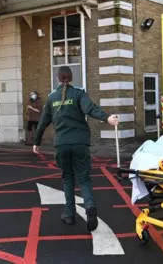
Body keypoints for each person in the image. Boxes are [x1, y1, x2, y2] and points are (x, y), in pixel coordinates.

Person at [33, 66, 119, 232]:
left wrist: (36, 142)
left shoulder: (52, 98)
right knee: (84, 179)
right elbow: (90, 109)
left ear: (58, 79)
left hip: (61, 144)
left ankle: (69, 214)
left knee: (67, 178)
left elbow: (42, 123)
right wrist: (107, 117)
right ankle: (90, 205)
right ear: (71, 78)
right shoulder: (79, 94)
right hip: (80, 143)